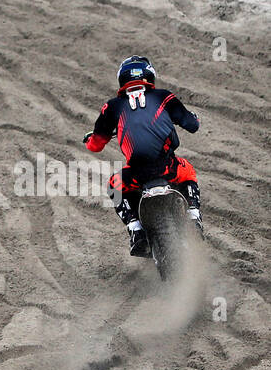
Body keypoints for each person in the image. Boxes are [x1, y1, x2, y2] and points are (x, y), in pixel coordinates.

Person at [83, 56, 202, 257]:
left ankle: (135, 229)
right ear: (150, 75)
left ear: (122, 79)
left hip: (137, 173)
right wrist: (193, 118)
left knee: (114, 185)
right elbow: (192, 125)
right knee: (188, 171)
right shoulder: (164, 97)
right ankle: (193, 216)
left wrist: (90, 140)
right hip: (168, 167)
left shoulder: (112, 106)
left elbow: (95, 146)